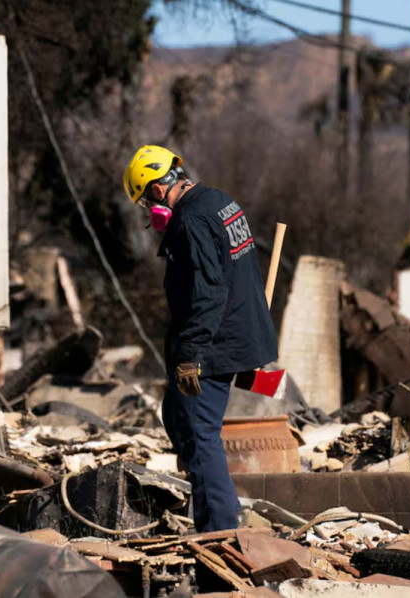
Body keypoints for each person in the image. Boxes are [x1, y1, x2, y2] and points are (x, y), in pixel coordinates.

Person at [122, 145, 278, 532]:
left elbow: (208, 294)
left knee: (200, 436)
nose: (148, 212)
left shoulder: (190, 222)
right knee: (176, 414)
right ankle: (205, 497)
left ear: (157, 191)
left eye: (144, 202)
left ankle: (219, 532)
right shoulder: (219, 201)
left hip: (212, 345)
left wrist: (190, 355)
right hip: (237, 332)